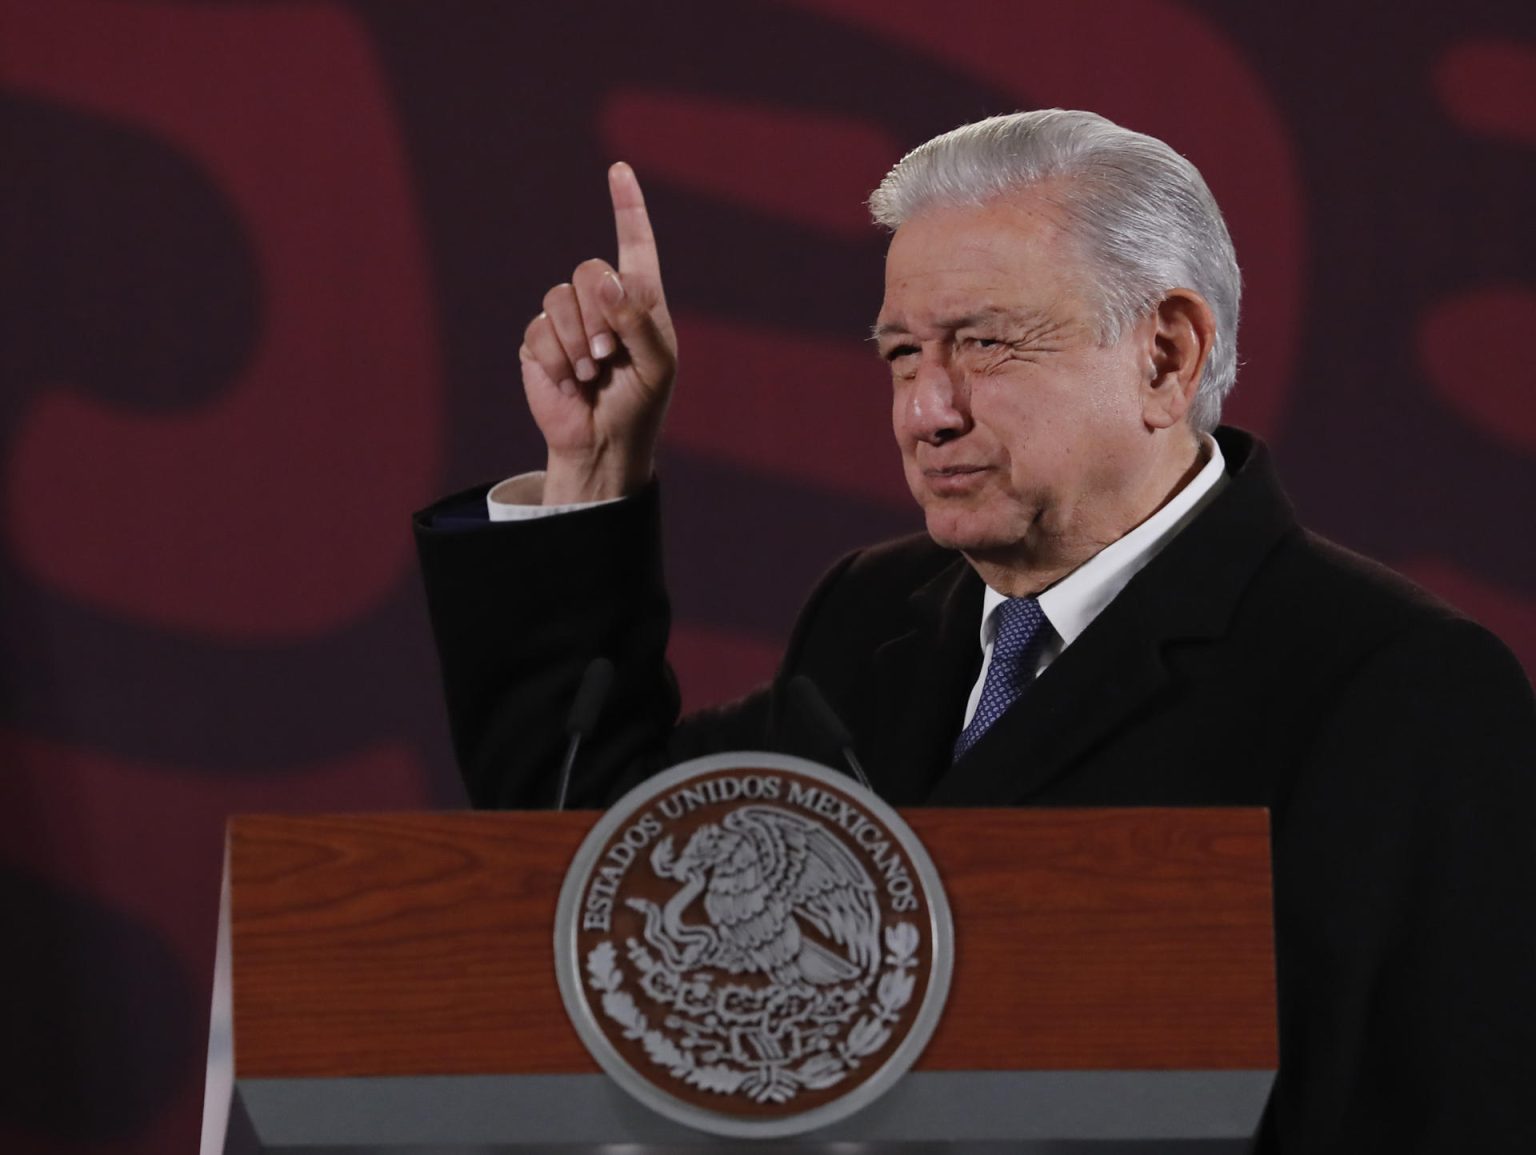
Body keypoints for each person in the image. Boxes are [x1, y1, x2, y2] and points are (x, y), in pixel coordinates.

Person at [414, 110, 1536, 1153]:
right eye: (903, 353)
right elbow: (595, 878)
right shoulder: (875, 617)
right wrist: (597, 470)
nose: (925, 410)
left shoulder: (1397, 686)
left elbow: (1449, 1109)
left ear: (1167, 357)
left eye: (985, 344)